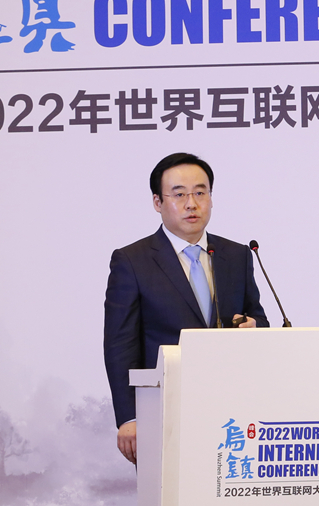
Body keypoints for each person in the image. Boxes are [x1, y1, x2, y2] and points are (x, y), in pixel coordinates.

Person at [103, 152, 269, 463]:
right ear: (157, 202)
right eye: (179, 194)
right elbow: (120, 345)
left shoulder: (236, 255)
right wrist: (129, 417)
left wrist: (254, 325)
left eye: (200, 193)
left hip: (232, 411)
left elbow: (257, 317)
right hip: (164, 411)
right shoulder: (132, 261)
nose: (192, 204)